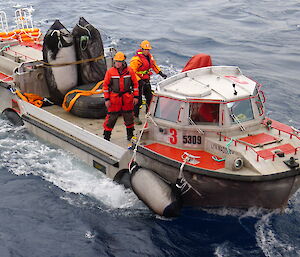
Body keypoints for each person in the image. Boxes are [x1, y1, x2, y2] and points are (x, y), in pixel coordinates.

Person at [103, 51, 139, 141]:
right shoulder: (110, 72)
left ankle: (130, 135)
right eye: (116, 61)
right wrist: (107, 99)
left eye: (119, 62)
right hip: (114, 98)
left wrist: (136, 97)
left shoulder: (130, 71)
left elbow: (135, 84)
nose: (117, 63)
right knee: (111, 118)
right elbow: (105, 86)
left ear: (123, 62)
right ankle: (106, 136)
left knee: (129, 117)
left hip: (127, 98)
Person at [130, 40, 167, 125]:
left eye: (148, 49)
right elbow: (131, 72)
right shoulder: (136, 59)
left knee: (150, 98)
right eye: (145, 49)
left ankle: (148, 114)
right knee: (138, 101)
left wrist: (160, 73)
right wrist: (139, 81)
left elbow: (153, 66)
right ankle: (135, 117)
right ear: (142, 49)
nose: (147, 51)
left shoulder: (150, 57)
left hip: (146, 81)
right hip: (138, 82)